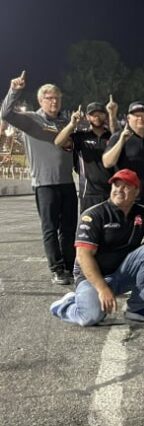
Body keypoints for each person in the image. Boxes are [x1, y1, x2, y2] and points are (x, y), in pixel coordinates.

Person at [49, 167, 144, 326]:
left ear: (136, 191)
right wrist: (102, 288)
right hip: (92, 278)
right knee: (90, 317)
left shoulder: (142, 213)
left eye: (125, 186)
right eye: (116, 185)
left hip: (120, 274)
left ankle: (136, 308)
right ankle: (66, 305)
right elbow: (84, 257)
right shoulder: (94, 215)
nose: (119, 190)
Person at [1, 71, 76, 285]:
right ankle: (57, 268)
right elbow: (6, 114)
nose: (54, 101)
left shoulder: (66, 122)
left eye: (57, 98)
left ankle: (70, 266)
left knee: (69, 228)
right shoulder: (31, 120)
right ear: (40, 100)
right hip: (45, 184)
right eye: (49, 98)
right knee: (50, 228)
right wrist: (14, 90)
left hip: (67, 183)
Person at [54, 102, 114, 213]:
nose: (96, 117)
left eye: (100, 113)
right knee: (88, 229)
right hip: (88, 194)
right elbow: (58, 142)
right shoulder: (80, 137)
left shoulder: (112, 137)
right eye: (93, 114)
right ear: (87, 117)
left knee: (111, 229)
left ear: (105, 116)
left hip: (112, 193)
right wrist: (72, 124)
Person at [103, 102, 144, 206]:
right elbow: (107, 163)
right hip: (128, 200)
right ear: (128, 119)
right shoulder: (118, 136)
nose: (140, 118)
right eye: (137, 116)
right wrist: (121, 141)